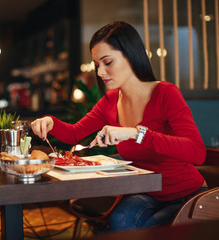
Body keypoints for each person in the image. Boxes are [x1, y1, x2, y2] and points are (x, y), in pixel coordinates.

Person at [30, 21, 207, 231]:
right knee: (119, 221)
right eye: (97, 65)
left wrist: (136, 133)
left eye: (108, 62)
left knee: (147, 230)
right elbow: (74, 133)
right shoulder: (111, 101)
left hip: (186, 195)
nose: (100, 72)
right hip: (147, 193)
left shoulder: (165, 94)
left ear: (130, 55)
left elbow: (197, 152)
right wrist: (51, 122)